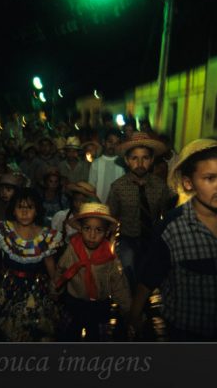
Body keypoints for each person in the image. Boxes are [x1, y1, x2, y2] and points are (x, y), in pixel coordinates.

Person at [127, 139, 217, 342]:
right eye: (210, 178)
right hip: (185, 333)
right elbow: (150, 276)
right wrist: (134, 315)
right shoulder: (172, 228)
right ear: (188, 183)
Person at [0, 188, 62, 341]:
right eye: (20, 207)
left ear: (37, 211)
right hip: (7, 286)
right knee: (3, 325)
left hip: (35, 288)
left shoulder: (46, 235)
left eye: (30, 207)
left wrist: (55, 282)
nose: (24, 212)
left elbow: (49, 260)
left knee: (32, 327)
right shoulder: (5, 230)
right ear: (13, 210)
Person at [55, 203, 132, 341]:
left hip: (99, 307)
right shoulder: (72, 249)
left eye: (98, 230)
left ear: (106, 232)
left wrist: (127, 308)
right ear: (80, 229)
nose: (92, 235)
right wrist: (54, 290)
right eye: (87, 229)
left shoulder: (109, 257)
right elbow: (61, 271)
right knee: (68, 337)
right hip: (74, 304)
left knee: (97, 340)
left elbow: (118, 283)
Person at [106, 132, 171, 293]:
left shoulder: (160, 186)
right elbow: (111, 216)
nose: (140, 163)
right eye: (134, 158)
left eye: (145, 158)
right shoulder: (118, 187)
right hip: (128, 239)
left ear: (152, 159)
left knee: (149, 275)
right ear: (127, 160)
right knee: (129, 272)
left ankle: (143, 301)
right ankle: (131, 301)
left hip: (152, 239)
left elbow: (167, 216)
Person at [51, 181, 100, 245]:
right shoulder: (61, 216)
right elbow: (54, 239)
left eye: (83, 201)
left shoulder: (93, 220)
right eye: (76, 200)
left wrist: (78, 227)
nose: (78, 204)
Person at [88, 129, 126, 203]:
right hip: (98, 206)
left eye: (116, 143)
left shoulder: (122, 163)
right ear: (103, 142)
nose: (113, 145)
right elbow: (91, 188)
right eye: (110, 142)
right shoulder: (96, 163)